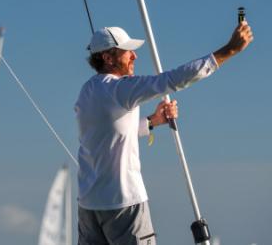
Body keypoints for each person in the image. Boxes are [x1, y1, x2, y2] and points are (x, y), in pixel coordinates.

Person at [75, 22, 253, 245]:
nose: (134, 56)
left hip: (88, 206)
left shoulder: (87, 91)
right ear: (108, 58)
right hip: (123, 204)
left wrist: (152, 121)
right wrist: (229, 50)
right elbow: (171, 80)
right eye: (127, 51)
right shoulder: (120, 88)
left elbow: (108, 135)